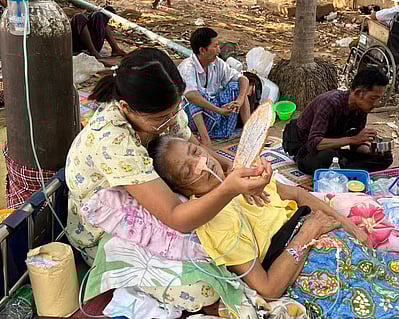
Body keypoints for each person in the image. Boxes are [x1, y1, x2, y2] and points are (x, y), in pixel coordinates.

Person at [147, 136, 399, 318]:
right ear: (183, 189)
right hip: (309, 265)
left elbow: (300, 194)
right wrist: (307, 233)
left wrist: (351, 228)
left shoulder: (248, 179)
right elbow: (269, 288)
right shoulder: (215, 223)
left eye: (195, 153)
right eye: (188, 169)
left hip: (335, 239)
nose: (202, 164)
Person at [65, 47, 272, 265]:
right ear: (126, 108)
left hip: (145, 196)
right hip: (101, 230)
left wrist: (236, 167)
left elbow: (196, 147)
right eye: (163, 117)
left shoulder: (165, 111)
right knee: (200, 272)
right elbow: (177, 218)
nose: (172, 120)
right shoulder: (113, 142)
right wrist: (228, 189)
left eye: (176, 110)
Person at [282, 67, 393, 175]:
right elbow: (314, 143)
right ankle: (344, 168)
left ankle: (341, 169)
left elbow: (355, 144)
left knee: (385, 158)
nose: (375, 104)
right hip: (305, 149)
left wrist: (370, 149)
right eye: (373, 98)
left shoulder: (361, 109)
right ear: (359, 93)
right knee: (328, 157)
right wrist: (354, 139)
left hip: (332, 148)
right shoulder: (329, 103)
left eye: (379, 99)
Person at [178, 27, 251, 146]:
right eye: (215, 46)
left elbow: (243, 79)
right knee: (194, 97)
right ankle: (205, 140)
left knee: (237, 86)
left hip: (213, 113)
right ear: (202, 50)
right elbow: (191, 95)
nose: (218, 49)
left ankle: (249, 132)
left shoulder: (217, 63)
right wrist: (218, 110)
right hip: (193, 117)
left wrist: (239, 100)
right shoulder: (187, 67)